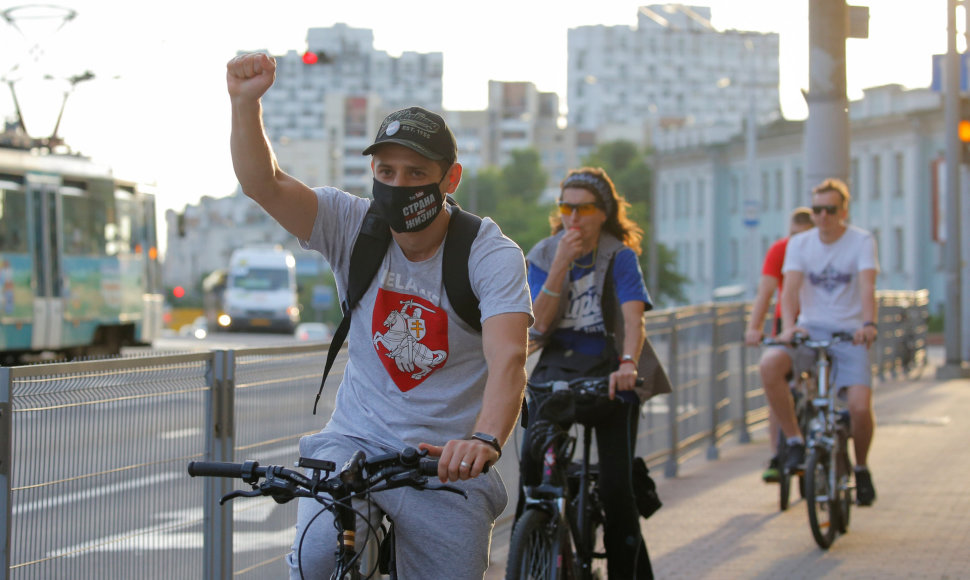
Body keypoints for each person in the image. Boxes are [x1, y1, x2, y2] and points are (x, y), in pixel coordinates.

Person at [226, 52, 534, 579]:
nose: (398, 183)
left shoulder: (488, 253)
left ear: (450, 178)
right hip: (356, 442)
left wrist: (482, 440)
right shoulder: (350, 224)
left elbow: (508, 359)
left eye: (416, 172)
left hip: (444, 459)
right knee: (320, 559)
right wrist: (243, 103)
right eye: (386, 170)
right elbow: (265, 185)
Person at [517, 167, 657, 578]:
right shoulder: (544, 254)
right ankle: (534, 554)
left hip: (611, 373)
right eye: (566, 208)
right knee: (532, 475)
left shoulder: (620, 256)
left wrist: (629, 364)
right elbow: (538, 327)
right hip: (558, 370)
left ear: (604, 212)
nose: (573, 218)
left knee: (617, 491)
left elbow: (634, 322)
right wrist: (561, 264)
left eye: (584, 208)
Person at [760, 178, 880, 506]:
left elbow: (867, 286)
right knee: (770, 365)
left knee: (858, 408)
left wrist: (868, 324)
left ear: (843, 211)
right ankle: (795, 439)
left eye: (830, 210)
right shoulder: (801, 244)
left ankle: (860, 466)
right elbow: (790, 288)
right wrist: (788, 326)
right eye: (817, 210)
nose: (823, 217)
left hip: (850, 333)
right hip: (810, 330)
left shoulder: (861, 241)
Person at [744, 207, 814, 482]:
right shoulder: (780, 250)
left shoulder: (822, 251)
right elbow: (765, 293)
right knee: (778, 387)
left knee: (817, 379)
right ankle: (776, 453)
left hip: (817, 321)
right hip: (785, 323)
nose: (799, 243)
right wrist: (753, 329)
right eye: (794, 236)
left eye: (804, 237)